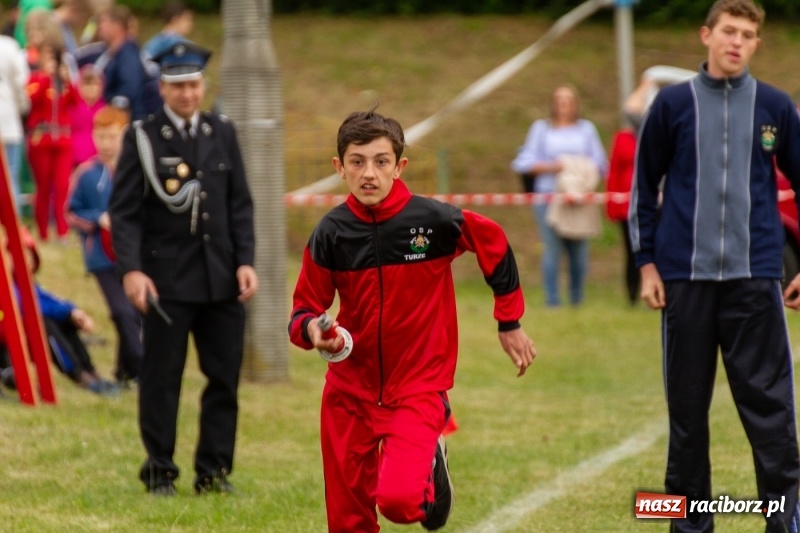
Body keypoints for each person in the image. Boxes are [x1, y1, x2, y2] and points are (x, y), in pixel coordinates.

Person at [288, 108, 537, 532]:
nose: (369, 173)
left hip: (417, 388)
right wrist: (315, 331)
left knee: (400, 504)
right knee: (347, 521)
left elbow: (492, 240)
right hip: (348, 391)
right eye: (357, 162)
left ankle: (432, 461)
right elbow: (303, 310)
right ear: (339, 167)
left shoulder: (433, 221)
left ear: (399, 166)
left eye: (381, 161)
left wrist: (509, 320)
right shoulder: (331, 233)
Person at [629, 1, 800, 531]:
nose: (736, 42)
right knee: (686, 417)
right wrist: (647, 265)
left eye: (747, 35)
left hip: (755, 280)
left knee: (772, 414)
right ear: (707, 35)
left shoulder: (775, 106)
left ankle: (786, 522)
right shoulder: (671, 105)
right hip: (685, 281)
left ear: (756, 44)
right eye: (729, 31)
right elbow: (642, 190)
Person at [108, 41, 258, 496]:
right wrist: (131, 270)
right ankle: (160, 470)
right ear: (163, 88)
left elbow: (239, 204)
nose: (187, 94)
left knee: (224, 379)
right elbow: (125, 212)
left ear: (202, 85)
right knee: (161, 380)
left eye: (193, 85)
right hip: (166, 281)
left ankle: (214, 471)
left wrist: (246, 261)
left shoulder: (221, 131)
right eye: (178, 86)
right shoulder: (143, 136)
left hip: (221, 279)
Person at [511, 84, 607, 307]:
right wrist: (556, 167)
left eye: (568, 100)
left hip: (578, 197)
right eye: (560, 100)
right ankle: (552, 300)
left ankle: (577, 299)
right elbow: (524, 162)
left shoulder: (586, 130)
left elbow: (601, 163)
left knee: (579, 251)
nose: (564, 105)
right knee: (552, 249)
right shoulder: (541, 129)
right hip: (548, 197)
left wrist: (578, 170)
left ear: (576, 104)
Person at [67, 105, 143, 386]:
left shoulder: (136, 171)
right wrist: (97, 219)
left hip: (133, 254)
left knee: (135, 312)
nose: (107, 143)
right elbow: (70, 212)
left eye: (112, 137)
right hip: (101, 255)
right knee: (122, 311)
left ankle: (124, 371)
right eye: (101, 137)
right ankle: (141, 367)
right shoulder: (86, 173)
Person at [26, 35, 77, 242]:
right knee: (43, 187)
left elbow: (76, 101)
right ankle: (43, 231)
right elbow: (31, 99)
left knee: (63, 186)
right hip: (42, 138)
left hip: (62, 139)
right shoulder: (35, 78)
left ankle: (62, 231)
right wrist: (46, 76)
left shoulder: (62, 82)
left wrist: (68, 80)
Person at [94, 5, 159, 121]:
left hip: (131, 120)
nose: (100, 26)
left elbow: (128, 90)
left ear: (117, 26)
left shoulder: (127, 54)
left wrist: (111, 113)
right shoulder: (115, 52)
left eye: (103, 22)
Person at [0, 12, 30, 211]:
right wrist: (22, 108)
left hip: (9, 120)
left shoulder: (9, 46)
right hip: (9, 120)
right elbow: (22, 84)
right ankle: (14, 224)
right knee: (11, 177)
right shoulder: (9, 46)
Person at [68, 65, 104, 168]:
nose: (91, 88)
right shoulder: (71, 107)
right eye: (86, 84)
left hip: (96, 161)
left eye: (94, 84)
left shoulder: (103, 110)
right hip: (73, 160)